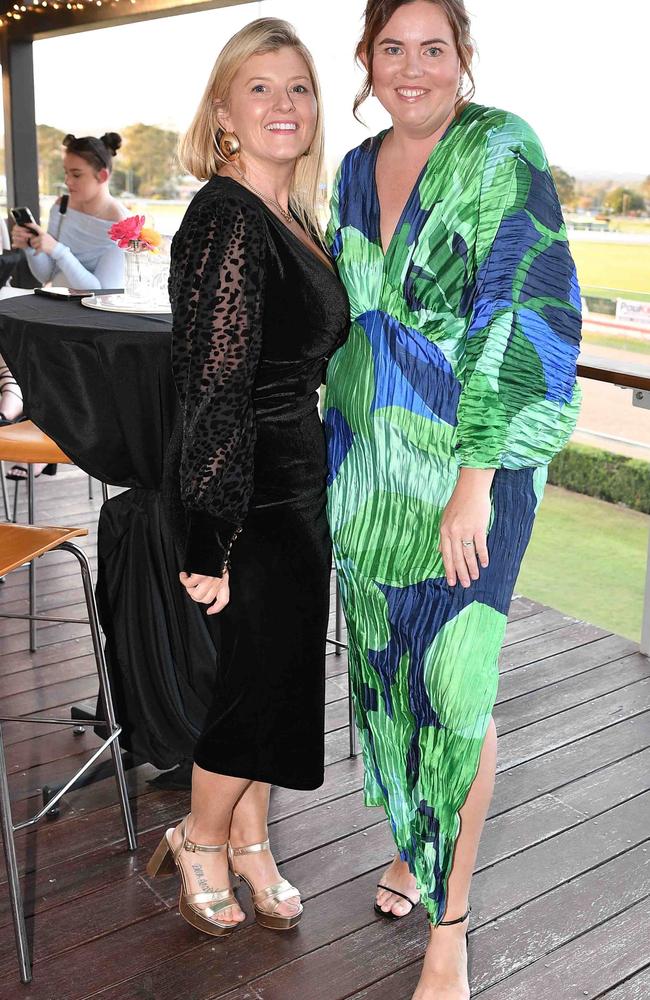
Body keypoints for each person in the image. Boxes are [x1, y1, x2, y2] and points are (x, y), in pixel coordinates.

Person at [324, 1, 581, 997]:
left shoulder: (497, 147)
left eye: (433, 48)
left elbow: (522, 310)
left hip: (471, 475)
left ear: (462, 58)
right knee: (388, 682)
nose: (412, 68)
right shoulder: (351, 168)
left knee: (455, 689)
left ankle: (451, 926)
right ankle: (415, 842)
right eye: (393, 48)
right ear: (367, 59)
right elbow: (341, 321)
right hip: (368, 478)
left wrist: (473, 482)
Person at [147, 19, 349, 937]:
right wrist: (208, 534)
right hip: (253, 496)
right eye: (259, 87)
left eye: (298, 88)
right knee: (254, 686)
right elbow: (211, 387)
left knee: (276, 679)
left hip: (295, 483)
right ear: (223, 109)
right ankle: (198, 834)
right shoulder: (227, 215)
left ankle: (253, 840)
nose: (282, 105)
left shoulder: (288, 216)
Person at [4, 132, 128, 469]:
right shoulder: (61, 206)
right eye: (66, 173)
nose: (68, 182)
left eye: (76, 174)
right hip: (51, 305)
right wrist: (33, 246)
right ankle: (21, 410)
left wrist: (57, 248)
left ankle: (21, 411)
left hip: (86, 321)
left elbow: (101, 290)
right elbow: (47, 271)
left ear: (102, 175)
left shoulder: (122, 225)